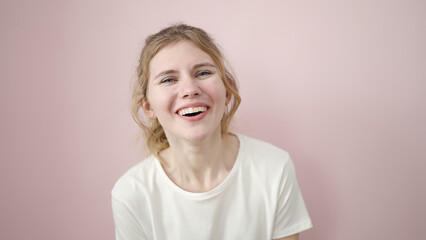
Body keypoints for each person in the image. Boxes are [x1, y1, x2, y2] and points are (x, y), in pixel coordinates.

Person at [111, 24, 313, 240]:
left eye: (203, 72)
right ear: (148, 107)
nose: (190, 89)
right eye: (168, 79)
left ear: (227, 92)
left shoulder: (275, 168)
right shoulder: (130, 194)